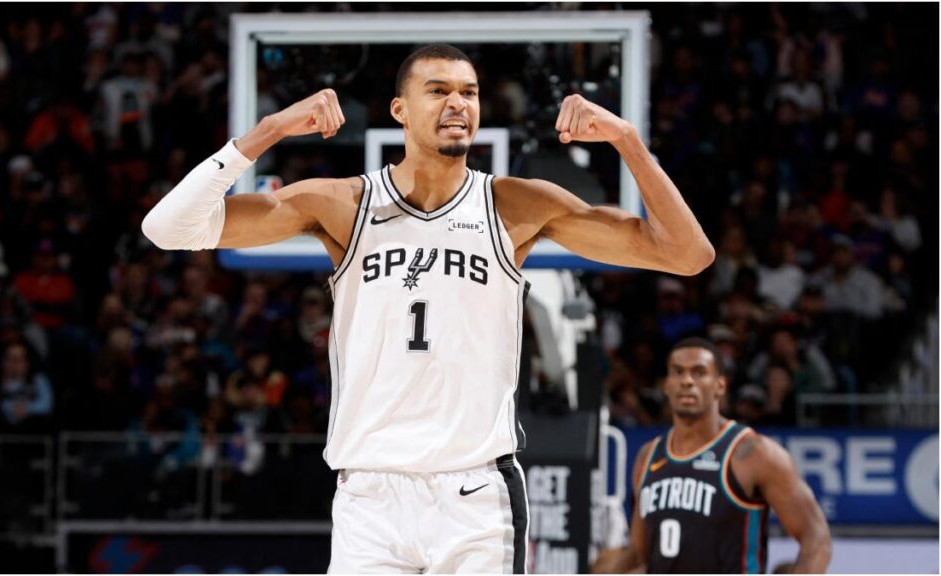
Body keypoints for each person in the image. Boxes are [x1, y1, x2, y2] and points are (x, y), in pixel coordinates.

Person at [142, 44, 714, 573]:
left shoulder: (515, 205)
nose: (458, 103)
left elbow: (687, 255)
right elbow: (168, 229)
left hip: (475, 498)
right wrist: (269, 132)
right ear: (399, 109)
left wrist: (628, 142)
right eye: (438, 90)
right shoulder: (343, 204)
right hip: (369, 496)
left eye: (469, 92)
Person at [593, 338, 831, 574]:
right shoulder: (648, 456)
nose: (686, 381)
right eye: (678, 372)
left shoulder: (753, 453)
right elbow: (638, 553)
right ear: (667, 385)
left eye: (698, 373)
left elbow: (816, 538)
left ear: (720, 385)